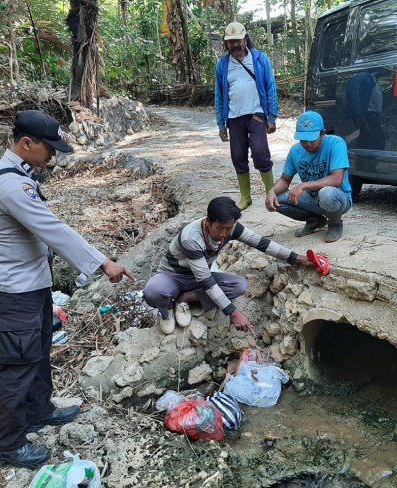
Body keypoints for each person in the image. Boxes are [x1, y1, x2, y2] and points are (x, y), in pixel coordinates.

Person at [0, 110, 136, 469]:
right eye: (49, 149)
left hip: (30, 284)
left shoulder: (19, 174)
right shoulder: (11, 185)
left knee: (38, 350)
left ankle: (38, 411)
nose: (52, 155)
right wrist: (103, 262)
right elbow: (53, 229)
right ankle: (6, 443)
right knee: (18, 364)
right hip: (14, 289)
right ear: (26, 144)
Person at [143, 196, 314, 335]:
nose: (224, 233)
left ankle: (185, 298)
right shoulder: (191, 238)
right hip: (174, 275)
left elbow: (261, 243)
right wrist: (233, 312)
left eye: (228, 228)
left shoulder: (231, 228)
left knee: (239, 286)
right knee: (153, 292)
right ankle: (167, 310)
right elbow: (205, 280)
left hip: (199, 277)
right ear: (208, 221)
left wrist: (296, 258)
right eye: (220, 228)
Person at [214, 21, 278, 210]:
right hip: (234, 117)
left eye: (238, 40)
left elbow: (270, 86)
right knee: (238, 156)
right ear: (226, 44)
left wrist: (272, 116)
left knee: (261, 153)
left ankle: (271, 193)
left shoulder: (259, 59)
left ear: (246, 40)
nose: (235, 44)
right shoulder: (223, 65)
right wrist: (221, 124)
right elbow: (219, 95)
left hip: (257, 114)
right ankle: (245, 197)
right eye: (231, 41)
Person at [266, 111, 352, 243]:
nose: (307, 143)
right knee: (276, 200)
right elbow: (285, 179)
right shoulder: (295, 150)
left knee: (326, 193)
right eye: (303, 139)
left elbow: (337, 179)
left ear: (323, 133)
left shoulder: (336, 143)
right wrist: (271, 192)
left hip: (338, 197)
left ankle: (335, 223)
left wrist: (304, 185)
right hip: (312, 197)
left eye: (311, 139)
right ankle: (315, 219)